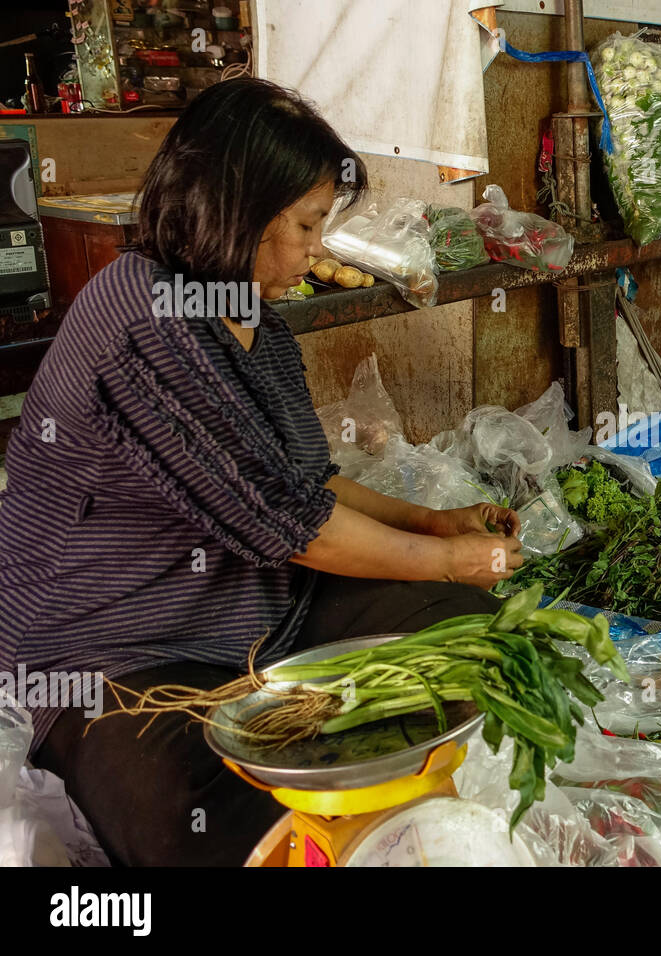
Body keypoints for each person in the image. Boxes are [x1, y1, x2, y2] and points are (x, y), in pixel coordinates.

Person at [0, 78, 525, 866]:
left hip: (260, 609)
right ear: (236, 210)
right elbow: (296, 526)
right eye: (308, 224)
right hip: (112, 648)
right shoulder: (143, 315)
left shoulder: (254, 322)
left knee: (475, 637)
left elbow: (303, 479)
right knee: (194, 820)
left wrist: (432, 526)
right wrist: (451, 556)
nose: (317, 249)